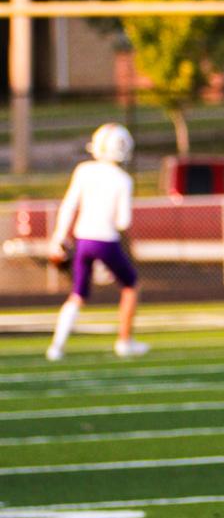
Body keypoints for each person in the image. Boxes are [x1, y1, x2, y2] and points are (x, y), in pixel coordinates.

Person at [46, 123, 148, 363]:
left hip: (82, 239)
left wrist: (58, 237)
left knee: (78, 294)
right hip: (106, 241)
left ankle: (56, 346)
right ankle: (124, 341)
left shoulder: (84, 170)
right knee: (131, 286)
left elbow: (69, 205)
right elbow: (123, 221)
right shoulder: (123, 180)